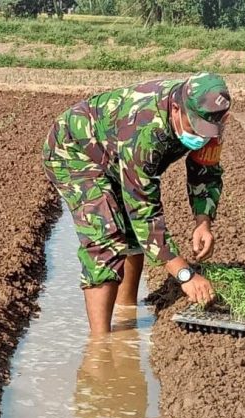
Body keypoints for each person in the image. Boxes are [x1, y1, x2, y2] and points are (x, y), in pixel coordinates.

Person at [42, 72, 231, 334]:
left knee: (131, 236)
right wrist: (184, 275)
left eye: (207, 131)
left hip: (117, 153)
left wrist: (203, 222)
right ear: (176, 108)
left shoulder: (212, 123)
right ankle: (101, 343)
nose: (200, 136)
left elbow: (206, 171)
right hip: (75, 150)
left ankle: (126, 311)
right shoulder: (145, 126)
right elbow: (143, 211)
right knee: (105, 236)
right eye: (194, 127)